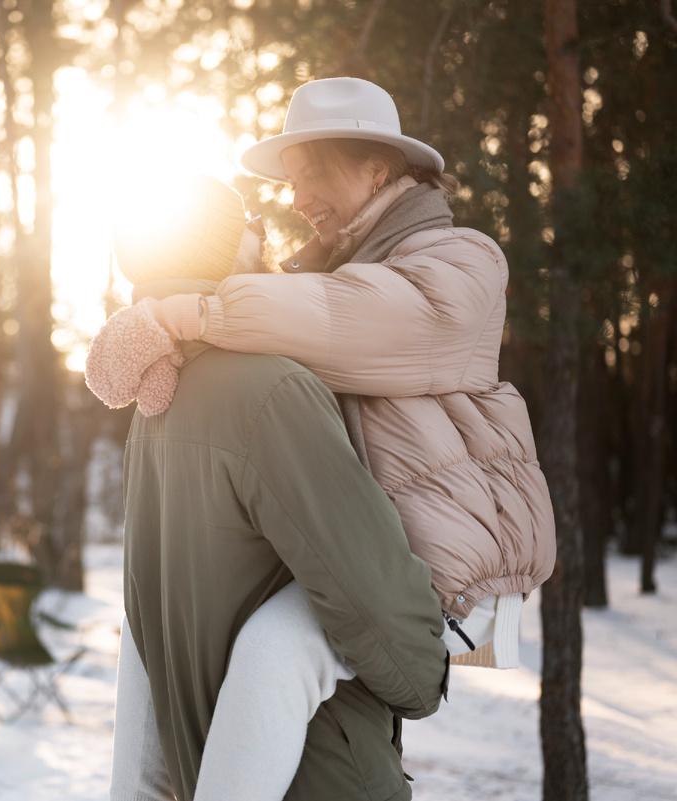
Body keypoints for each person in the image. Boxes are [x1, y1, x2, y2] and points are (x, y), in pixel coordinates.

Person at [89, 77, 557, 799]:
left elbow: (345, 319)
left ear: (378, 167)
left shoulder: (462, 263)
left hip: (446, 565)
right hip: (381, 544)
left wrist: (186, 314)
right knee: (168, 639)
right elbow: (287, 322)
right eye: (291, 181)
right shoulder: (323, 278)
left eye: (313, 175)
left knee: (278, 649)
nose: (297, 197)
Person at [89, 175, 450, 801]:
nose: (264, 232)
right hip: (317, 775)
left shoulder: (157, 404)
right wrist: (427, 671)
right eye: (248, 223)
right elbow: (366, 585)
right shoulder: (271, 390)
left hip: (215, 764)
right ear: (221, 250)